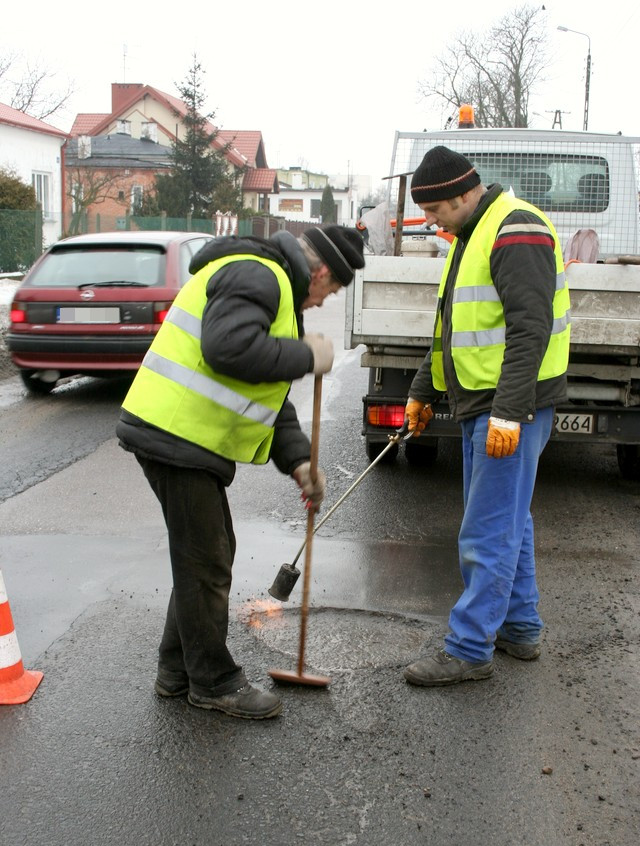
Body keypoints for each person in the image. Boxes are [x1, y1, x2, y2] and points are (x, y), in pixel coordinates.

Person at [116, 225, 365, 718]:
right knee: (207, 562)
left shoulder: (269, 282)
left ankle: (176, 671)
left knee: (205, 556)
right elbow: (227, 349)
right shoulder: (259, 273)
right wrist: (304, 356)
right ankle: (212, 681)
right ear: (318, 271)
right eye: (329, 291)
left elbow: (266, 394)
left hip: (184, 436)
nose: (320, 303)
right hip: (175, 435)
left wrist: (299, 461)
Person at [402, 146, 570, 687]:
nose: (429, 222)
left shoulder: (515, 229)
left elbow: (530, 328)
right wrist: (423, 390)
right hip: (483, 401)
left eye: (433, 211)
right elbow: (450, 327)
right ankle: (520, 628)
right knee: (508, 518)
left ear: (460, 195)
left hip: (509, 406)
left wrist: (510, 412)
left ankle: (470, 647)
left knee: (488, 529)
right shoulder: (470, 236)